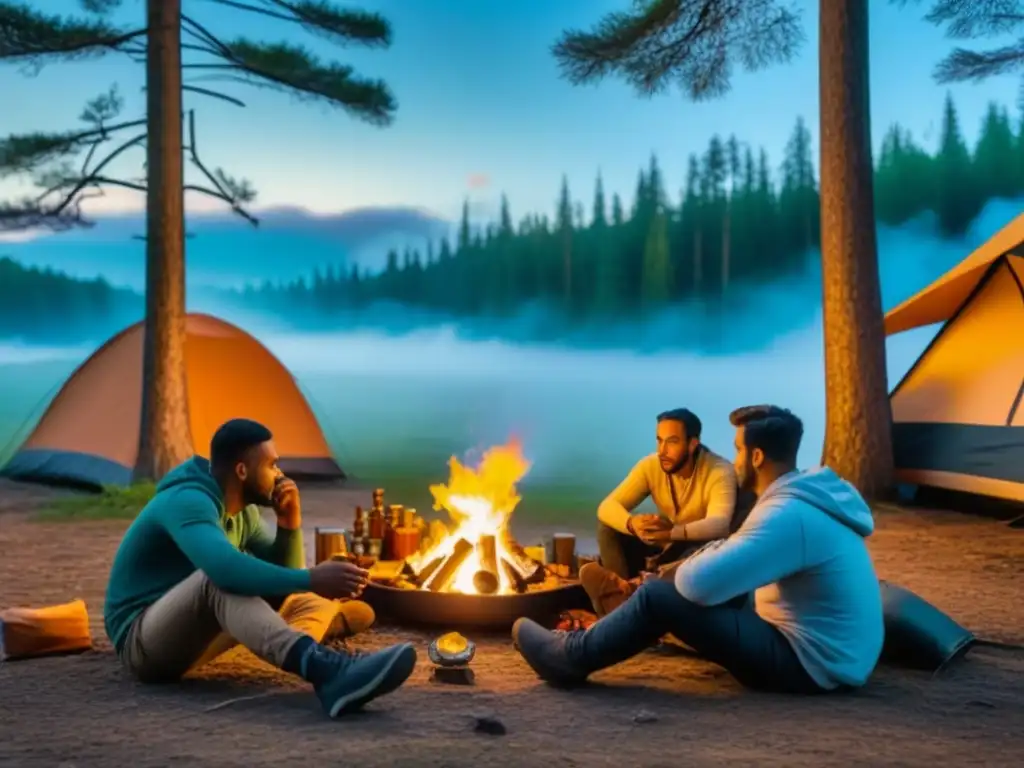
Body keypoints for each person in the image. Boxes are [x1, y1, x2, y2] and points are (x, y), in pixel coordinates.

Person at [513, 404, 884, 695]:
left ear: (756, 458)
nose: (735, 459)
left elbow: (695, 584)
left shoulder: (787, 514)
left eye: (739, 451)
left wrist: (669, 574)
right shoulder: (804, 498)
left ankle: (568, 657)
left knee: (661, 595)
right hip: (837, 657)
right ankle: (631, 612)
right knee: (716, 583)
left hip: (809, 665)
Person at [103, 418, 417, 718]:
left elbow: (281, 583)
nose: (279, 474)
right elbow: (226, 571)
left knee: (311, 600)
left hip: (196, 636)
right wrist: (312, 578)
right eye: (272, 465)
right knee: (219, 583)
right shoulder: (188, 502)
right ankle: (327, 670)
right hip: (143, 643)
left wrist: (289, 525)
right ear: (242, 470)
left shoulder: (243, 513)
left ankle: (291, 643)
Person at [581, 407, 740, 616]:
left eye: (672, 442)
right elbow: (607, 506)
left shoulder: (719, 471)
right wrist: (633, 524)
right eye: (659, 440)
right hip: (665, 547)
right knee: (608, 525)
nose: (662, 450)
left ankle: (630, 599)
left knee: (705, 549)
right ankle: (622, 599)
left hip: (698, 552)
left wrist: (672, 532)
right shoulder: (652, 466)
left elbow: (720, 524)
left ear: (692, 444)